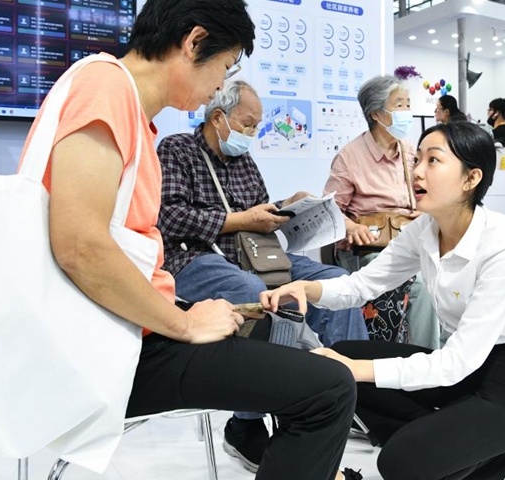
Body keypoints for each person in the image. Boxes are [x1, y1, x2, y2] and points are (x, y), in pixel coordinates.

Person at [28, 1, 357, 479]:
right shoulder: (105, 88)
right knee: (327, 387)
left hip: (134, 329)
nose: (219, 86)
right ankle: (260, 433)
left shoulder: (132, 113)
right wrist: (182, 323)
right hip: (122, 347)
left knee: (299, 346)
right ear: (194, 42)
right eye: (225, 67)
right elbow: (80, 246)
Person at [262, 122, 505, 480]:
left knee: (399, 462)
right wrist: (304, 289)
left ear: (471, 178)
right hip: (462, 370)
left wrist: (357, 370)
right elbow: (362, 285)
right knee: (345, 362)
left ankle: (503, 453)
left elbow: (458, 360)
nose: (416, 171)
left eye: (433, 161)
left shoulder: (504, 243)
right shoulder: (424, 230)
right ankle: (466, 444)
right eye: (417, 159)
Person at [156, 79, 368, 472]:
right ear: (218, 118)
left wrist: (288, 207)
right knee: (259, 294)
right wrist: (238, 219)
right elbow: (168, 216)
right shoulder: (177, 150)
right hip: (193, 260)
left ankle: (353, 394)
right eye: (248, 124)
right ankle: (252, 422)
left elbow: (257, 217)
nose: (253, 133)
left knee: (334, 281)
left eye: (255, 126)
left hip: (254, 256)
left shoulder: (243, 160)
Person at [324, 75, 439, 350]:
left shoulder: (412, 152)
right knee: (422, 287)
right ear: (377, 113)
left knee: (440, 280)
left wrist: (426, 213)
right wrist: (351, 228)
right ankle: (416, 359)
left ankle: (432, 360)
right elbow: (328, 213)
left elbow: (430, 196)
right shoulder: (350, 157)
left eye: (408, 104)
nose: (407, 112)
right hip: (369, 250)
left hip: (411, 242)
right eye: (399, 105)